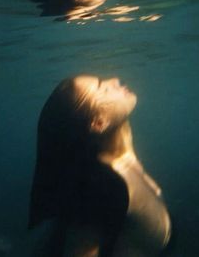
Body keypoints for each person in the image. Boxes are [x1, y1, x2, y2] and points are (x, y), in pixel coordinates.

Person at [29, 75, 171, 256]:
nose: (115, 79)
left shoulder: (118, 142)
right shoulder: (101, 190)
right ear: (99, 123)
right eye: (103, 88)